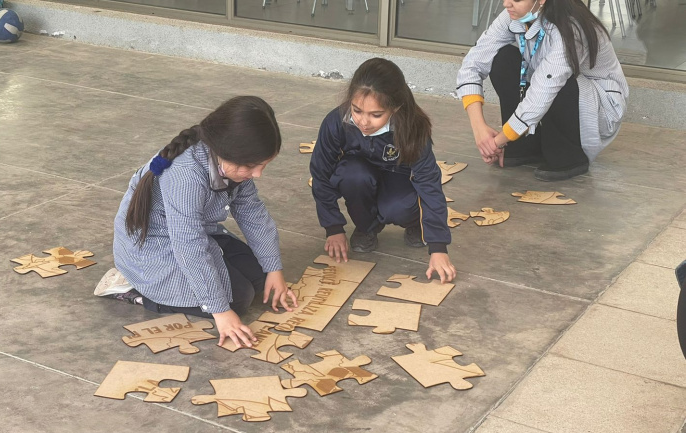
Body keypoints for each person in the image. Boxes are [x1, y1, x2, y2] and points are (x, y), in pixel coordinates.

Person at [96, 96, 298, 348]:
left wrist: (274, 269)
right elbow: (189, 247)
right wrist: (221, 312)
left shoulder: (230, 162)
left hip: (194, 233)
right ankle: (132, 288)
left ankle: (234, 282)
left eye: (262, 165)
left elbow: (253, 214)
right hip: (153, 250)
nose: (257, 174)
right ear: (225, 152)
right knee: (239, 299)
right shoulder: (185, 176)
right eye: (251, 166)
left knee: (259, 276)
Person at [310, 58, 456, 284]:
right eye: (357, 110)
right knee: (351, 174)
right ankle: (366, 227)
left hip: (398, 179)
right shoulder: (335, 122)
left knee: (397, 207)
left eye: (375, 115)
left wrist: (438, 247)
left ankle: (415, 223)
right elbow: (320, 174)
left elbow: (429, 183)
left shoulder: (412, 127)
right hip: (361, 177)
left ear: (395, 108)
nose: (363, 122)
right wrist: (333, 227)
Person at [456, 0, 628, 181]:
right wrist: (479, 129)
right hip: (551, 89)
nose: (507, 4)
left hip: (598, 106)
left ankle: (568, 154)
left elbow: (544, 89)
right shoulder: (513, 15)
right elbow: (473, 63)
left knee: (555, 80)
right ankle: (525, 145)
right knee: (501, 59)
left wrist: (496, 143)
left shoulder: (571, 28)